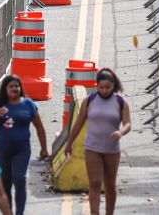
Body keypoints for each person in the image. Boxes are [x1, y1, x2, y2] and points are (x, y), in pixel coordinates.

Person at [65, 68, 131, 215]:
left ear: (114, 86)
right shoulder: (89, 101)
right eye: (101, 87)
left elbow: (127, 124)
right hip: (92, 148)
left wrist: (120, 132)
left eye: (108, 87)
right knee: (94, 183)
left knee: (110, 185)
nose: (105, 90)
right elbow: (78, 123)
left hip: (112, 150)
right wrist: (69, 143)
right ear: (96, 86)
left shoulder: (120, 102)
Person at [0, 75, 49, 215]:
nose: (14, 89)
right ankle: (8, 212)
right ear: (5, 89)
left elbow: (39, 127)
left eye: (17, 86)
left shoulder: (28, 104)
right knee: (5, 184)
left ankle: (19, 212)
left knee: (19, 179)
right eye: (11, 86)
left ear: (20, 88)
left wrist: (44, 148)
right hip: (2, 150)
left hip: (22, 150)